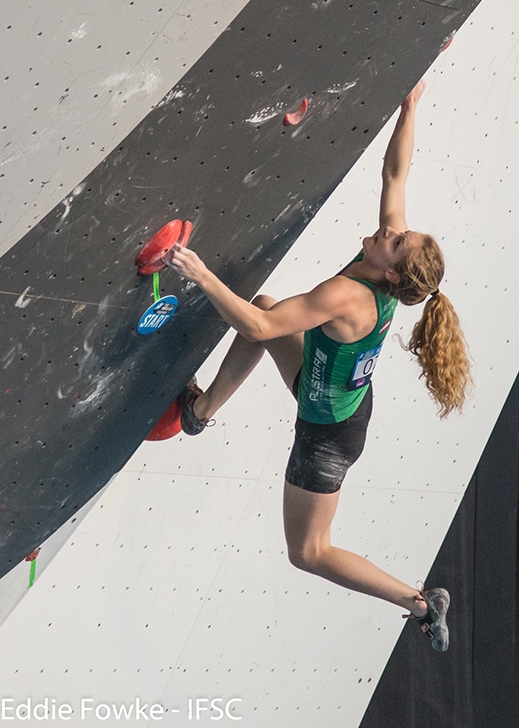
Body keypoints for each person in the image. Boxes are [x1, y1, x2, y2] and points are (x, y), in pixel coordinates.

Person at [168, 79, 471, 652]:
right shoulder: (382, 262)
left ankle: (419, 604)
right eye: (401, 232)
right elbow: (394, 176)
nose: (392, 228)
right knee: (264, 305)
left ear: (391, 270)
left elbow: (258, 333)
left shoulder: (348, 296)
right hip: (336, 394)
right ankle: (199, 412)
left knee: (307, 553)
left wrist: (201, 273)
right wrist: (409, 105)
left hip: (327, 435)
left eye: (398, 239)